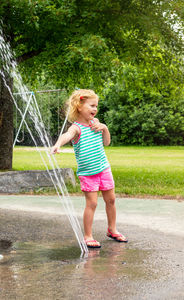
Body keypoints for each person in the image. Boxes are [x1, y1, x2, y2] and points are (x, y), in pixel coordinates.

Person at [51, 89, 128, 248]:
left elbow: (106, 143)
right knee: (92, 203)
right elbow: (66, 135)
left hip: (104, 169)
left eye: (96, 106)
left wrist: (104, 128)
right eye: (92, 105)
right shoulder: (76, 128)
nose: (95, 109)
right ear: (79, 106)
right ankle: (88, 236)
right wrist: (58, 144)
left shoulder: (96, 124)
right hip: (88, 174)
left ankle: (112, 229)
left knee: (111, 200)